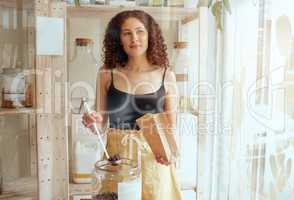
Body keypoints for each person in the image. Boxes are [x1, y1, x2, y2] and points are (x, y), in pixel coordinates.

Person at [82, 10, 182, 200]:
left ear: (150, 34)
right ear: (118, 38)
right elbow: (101, 126)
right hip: (117, 162)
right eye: (127, 33)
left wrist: (171, 154)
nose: (134, 38)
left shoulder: (166, 75)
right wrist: (92, 120)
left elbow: (170, 128)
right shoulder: (106, 73)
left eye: (140, 31)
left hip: (154, 161)